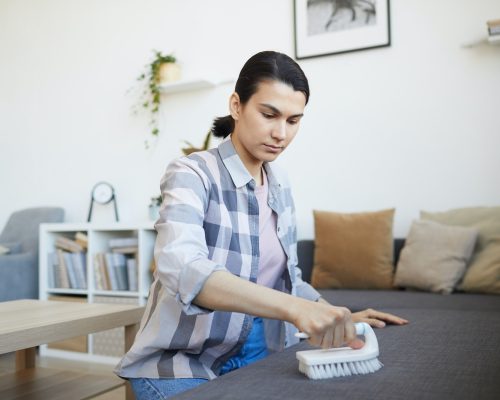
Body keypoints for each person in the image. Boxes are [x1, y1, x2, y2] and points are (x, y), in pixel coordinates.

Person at [115, 50, 408, 399]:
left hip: (259, 352)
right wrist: (296, 310)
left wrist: (331, 314)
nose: (280, 133)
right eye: (269, 114)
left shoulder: (279, 184)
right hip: (181, 361)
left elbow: (287, 280)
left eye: (293, 120)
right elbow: (183, 268)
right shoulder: (192, 173)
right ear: (236, 106)